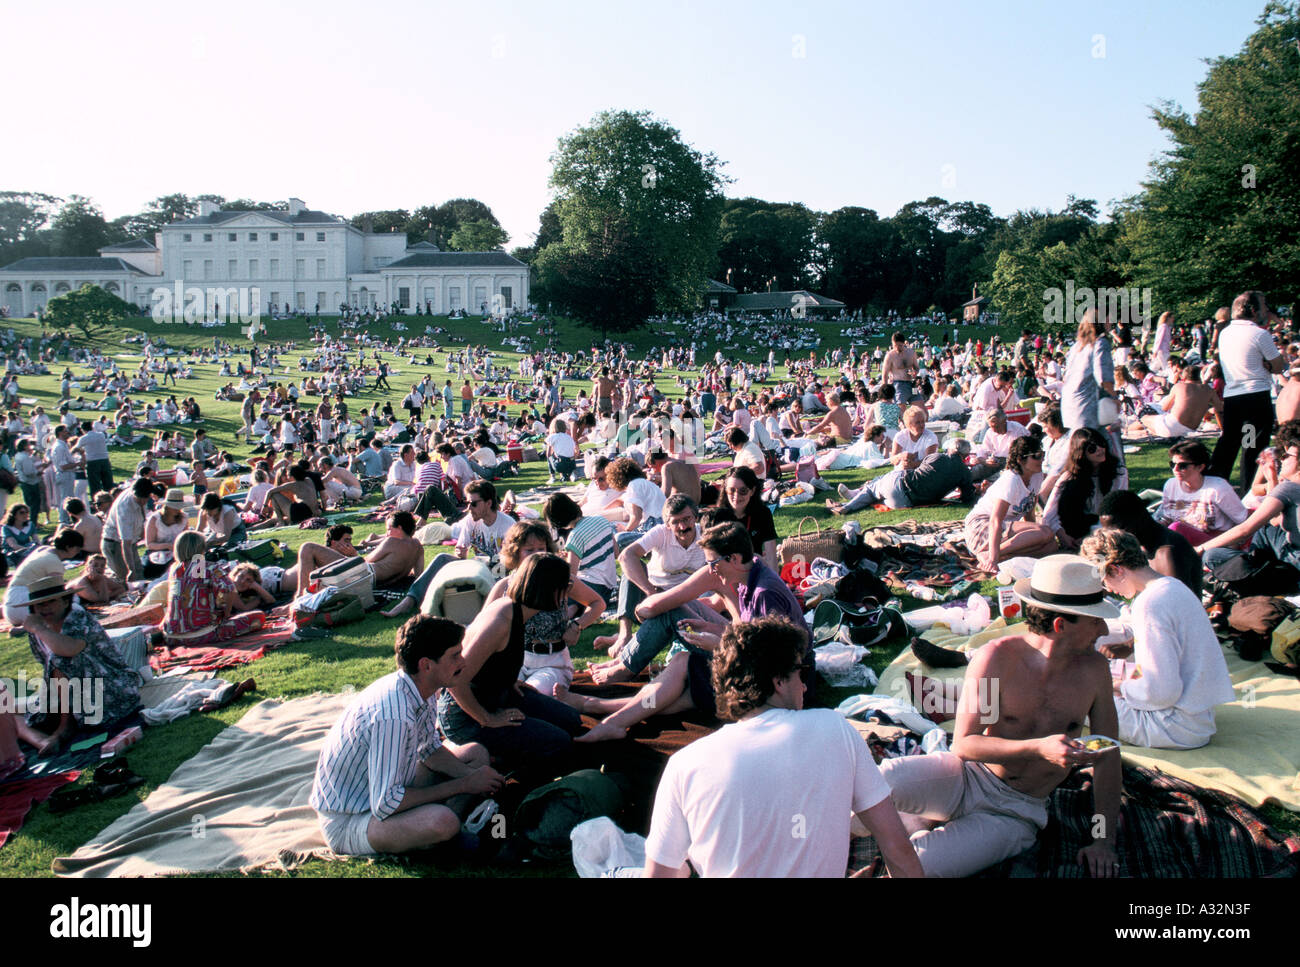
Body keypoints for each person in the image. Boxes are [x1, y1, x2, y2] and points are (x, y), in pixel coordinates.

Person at [878, 554, 1121, 878]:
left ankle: (918, 825)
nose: (1103, 629)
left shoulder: (1094, 671)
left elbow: (1107, 755)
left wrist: (1102, 840)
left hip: (1016, 813)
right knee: (875, 783)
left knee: (916, 866)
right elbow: (965, 745)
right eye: (1094, 620)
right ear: (1061, 626)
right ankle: (913, 822)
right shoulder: (1000, 659)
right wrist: (1039, 748)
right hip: (964, 778)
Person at [644, 616, 923, 878]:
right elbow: (896, 846)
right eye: (800, 673)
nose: (803, 686)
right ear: (778, 681)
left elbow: (658, 873)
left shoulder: (685, 765)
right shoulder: (835, 729)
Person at [572, 523, 808, 742]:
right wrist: (712, 628)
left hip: (774, 686)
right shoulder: (751, 575)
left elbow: (773, 661)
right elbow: (753, 637)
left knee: (681, 676)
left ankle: (606, 711)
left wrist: (717, 645)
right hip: (762, 672)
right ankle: (606, 711)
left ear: (734, 559)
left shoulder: (764, 593)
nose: (711, 571)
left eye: (713, 564)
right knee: (678, 682)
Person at [310, 615, 503, 857]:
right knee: (442, 821)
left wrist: (473, 775)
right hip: (351, 819)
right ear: (426, 665)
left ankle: (446, 828)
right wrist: (464, 784)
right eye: (455, 655)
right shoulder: (393, 714)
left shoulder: (422, 688)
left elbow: (429, 749)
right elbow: (387, 803)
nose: (463, 661)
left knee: (475, 754)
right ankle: (443, 833)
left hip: (384, 791)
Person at [1080, 529, 1235, 749]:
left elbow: (1160, 692)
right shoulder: (1173, 586)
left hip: (1173, 727)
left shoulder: (1149, 604)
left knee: (1076, 695)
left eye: (1105, 581)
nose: (1109, 589)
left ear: (1116, 569)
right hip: (1197, 719)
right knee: (1119, 672)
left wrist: (1119, 687)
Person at [435, 553, 583, 776]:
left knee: (571, 720)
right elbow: (455, 681)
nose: (568, 592)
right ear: (551, 590)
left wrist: (508, 679)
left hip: (497, 695)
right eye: (566, 586)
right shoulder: (501, 620)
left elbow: (492, 661)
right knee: (558, 743)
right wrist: (488, 719)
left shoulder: (516, 611)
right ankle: (487, 761)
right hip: (466, 716)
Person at [590, 494, 707, 683]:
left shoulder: (704, 537)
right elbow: (626, 556)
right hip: (655, 590)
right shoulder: (661, 532)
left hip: (688, 596)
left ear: (695, 517)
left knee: (671, 611)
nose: (683, 527)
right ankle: (624, 634)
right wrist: (650, 592)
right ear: (668, 524)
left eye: (686, 519)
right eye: (676, 522)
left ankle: (627, 653)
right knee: (630, 574)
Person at [1208, 291, 1285, 493]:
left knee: (1230, 443)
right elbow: (1278, 366)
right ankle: (1248, 490)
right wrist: (1267, 364)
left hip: (1234, 397)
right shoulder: (1259, 334)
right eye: (1264, 307)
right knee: (1251, 447)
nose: (1266, 312)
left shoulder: (1225, 333)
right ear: (1252, 310)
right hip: (1255, 398)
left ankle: (1213, 485)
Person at [1201, 425, 1300, 575]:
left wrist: (1199, 548)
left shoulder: (1290, 488)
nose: (1282, 459)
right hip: (1287, 549)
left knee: (1212, 556)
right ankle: (1254, 564)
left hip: (1294, 559)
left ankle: (1254, 568)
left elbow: (1245, 530)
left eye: (1286, 456)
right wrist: (1272, 479)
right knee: (1266, 529)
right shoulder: (1287, 486)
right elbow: (1274, 521)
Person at [963, 436, 1056, 572]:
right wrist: (993, 557)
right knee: (1046, 532)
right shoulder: (1011, 480)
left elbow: (1029, 512)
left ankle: (1002, 557)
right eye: (1036, 456)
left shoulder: (1037, 476)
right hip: (982, 527)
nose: (1041, 459)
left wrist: (1036, 536)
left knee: (1051, 546)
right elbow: (996, 520)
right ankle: (991, 555)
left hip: (1003, 529)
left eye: (1042, 455)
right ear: (1020, 460)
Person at [162, 531, 266, 647]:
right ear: (201, 549)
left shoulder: (174, 570)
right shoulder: (210, 567)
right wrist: (226, 614)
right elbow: (230, 590)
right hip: (203, 635)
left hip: (171, 636)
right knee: (259, 617)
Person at [829, 436, 975, 514]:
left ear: (950, 449)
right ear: (966, 455)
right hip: (904, 502)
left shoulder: (937, 457)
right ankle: (851, 498)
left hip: (900, 485)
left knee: (874, 486)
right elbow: (967, 498)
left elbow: (919, 471)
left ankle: (848, 505)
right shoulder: (965, 473)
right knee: (877, 486)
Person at [1098, 490, 1202, 597]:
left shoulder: (1168, 553)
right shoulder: (1137, 548)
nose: (1114, 538)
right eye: (1110, 533)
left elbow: (1178, 606)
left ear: (1138, 517)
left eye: (1120, 530)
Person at [1155, 439, 1248, 546]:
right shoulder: (1171, 485)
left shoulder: (1217, 488)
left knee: (1176, 528)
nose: (1175, 469)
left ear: (1200, 467)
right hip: (1181, 541)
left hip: (1214, 542)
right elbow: (1167, 518)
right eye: (1172, 464)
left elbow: (1243, 520)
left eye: (1182, 466)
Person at [1041, 427, 1122, 548]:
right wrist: (1063, 536)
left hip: (1108, 523)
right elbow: (1049, 515)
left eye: (1101, 444)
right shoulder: (1069, 477)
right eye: (1092, 448)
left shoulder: (1118, 472)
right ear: (1081, 452)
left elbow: (1117, 508)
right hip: (1078, 526)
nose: (1100, 450)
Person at [543, 493, 619, 608]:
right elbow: (616, 553)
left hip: (591, 587)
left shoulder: (575, 537)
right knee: (576, 604)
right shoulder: (601, 520)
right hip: (609, 586)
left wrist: (562, 562)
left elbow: (570, 576)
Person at [706, 466, 778, 569]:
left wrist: (773, 583)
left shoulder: (763, 514)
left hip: (753, 568)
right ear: (725, 490)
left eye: (743, 491)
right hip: (725, 572)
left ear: (752, 491)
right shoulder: (716, 517)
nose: (736, 496)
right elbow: (712, 559)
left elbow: (771, 555)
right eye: (731, 490)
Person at [1139, 360, 1222, 439]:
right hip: (1190, 429)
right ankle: (1152, 431)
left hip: (1170, 426)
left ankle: (1136, 431)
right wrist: (1222, 428)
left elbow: (1165, 408)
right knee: (1153, 425)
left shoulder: (1179, 386)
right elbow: (1219, 409)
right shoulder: (1209, 390)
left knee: (1144, 418)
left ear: (1184, 376)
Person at [1060, 312, 1114, 431]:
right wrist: (1114, 398)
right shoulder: (1100, 343)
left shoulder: (1076, 346)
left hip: (1069, 403)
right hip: (1087, 404)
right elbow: (1103, 377)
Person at [102, 477, 153, 584]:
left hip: (131, 542)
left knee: (140, 575)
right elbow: (125, 544)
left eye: (145, 498)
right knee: (126, 580)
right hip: (115, 544)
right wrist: (130, 569)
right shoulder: (125, 509)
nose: (143, 502)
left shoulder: (140, 490)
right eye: (140, 499)